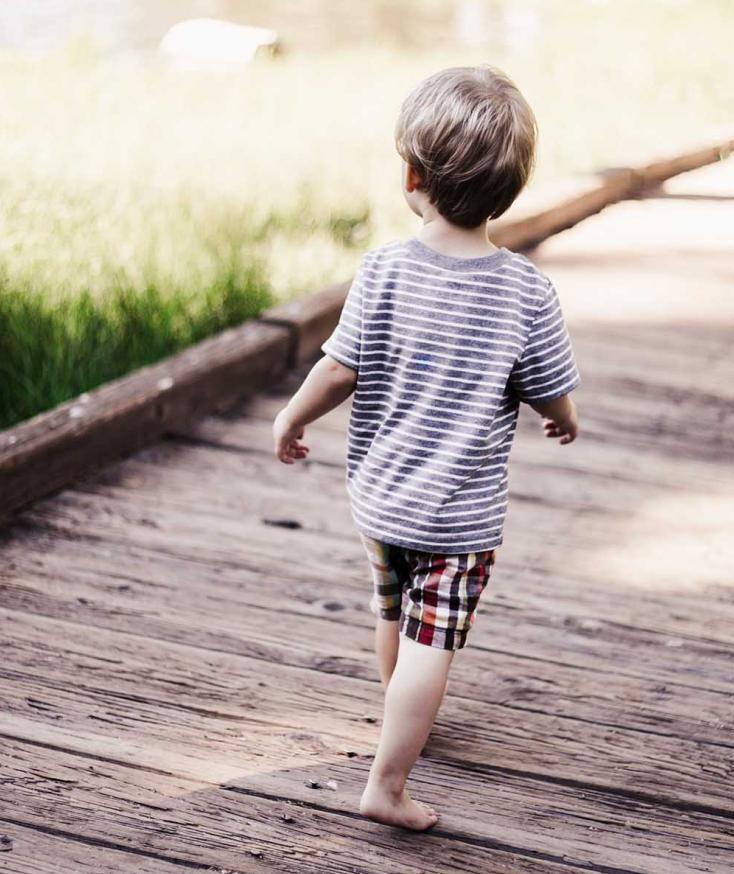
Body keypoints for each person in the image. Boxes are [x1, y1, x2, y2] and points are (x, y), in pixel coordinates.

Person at [270, 66, 580, 831]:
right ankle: (389, 779)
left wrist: (291, 417)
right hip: (460, 519)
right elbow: (547, 386)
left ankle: (399, 710)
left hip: (381, 499)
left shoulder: (383, 268)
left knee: (392, 605)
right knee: (433, 640)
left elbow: (338, 367)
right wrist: (563, 416)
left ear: (411, 175)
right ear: (508, 190)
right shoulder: (525, 291)